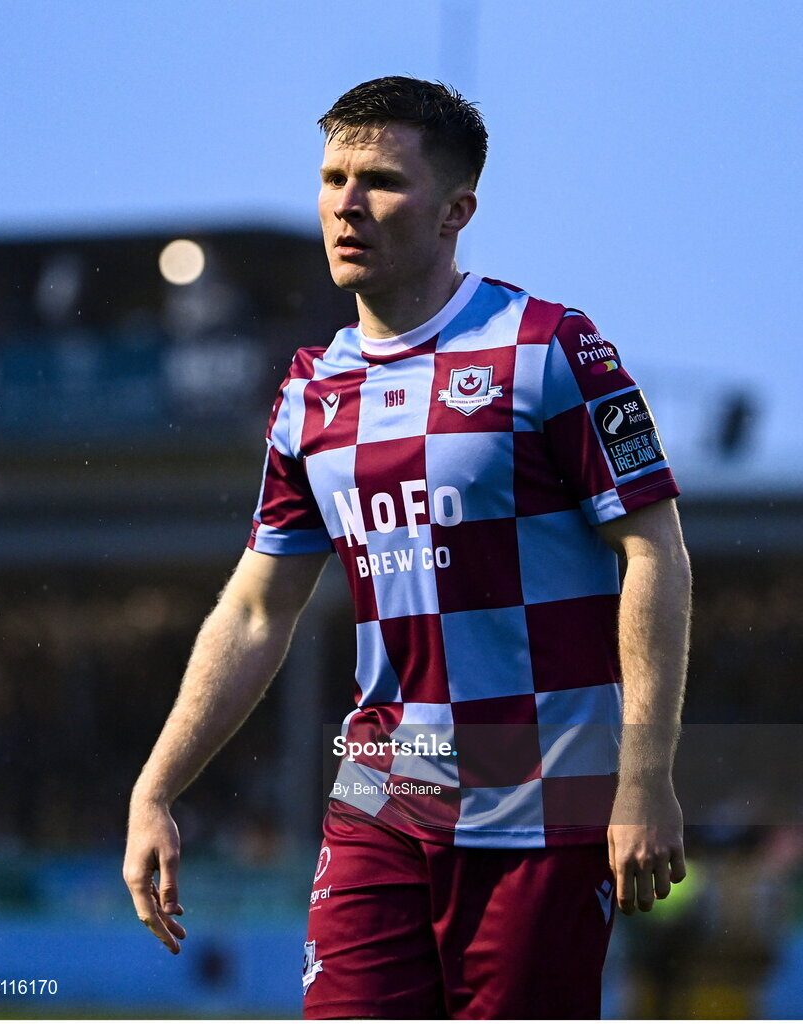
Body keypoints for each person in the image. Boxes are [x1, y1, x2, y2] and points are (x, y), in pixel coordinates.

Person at [123, 76, 692, 1019]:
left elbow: (656, 552)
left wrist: (646, 776)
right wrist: (156, 787)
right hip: (380, 800)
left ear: (455, 211)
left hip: (542, 807)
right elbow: (259, 608)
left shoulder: (551, 348)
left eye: (381, 180)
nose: (347, 204)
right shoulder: (311, 394)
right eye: (332, 177)